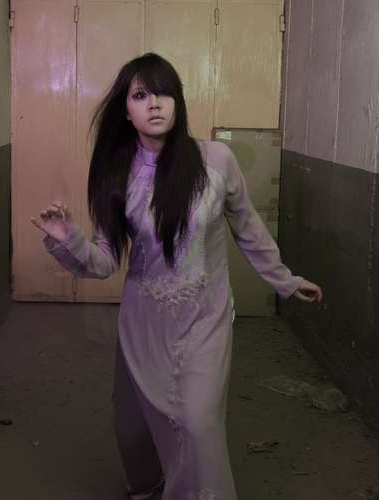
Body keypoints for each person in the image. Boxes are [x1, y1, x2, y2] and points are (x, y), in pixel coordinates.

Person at [31, 52, 323, 500]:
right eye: (140, 95)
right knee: (133, 426)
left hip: (204, 319)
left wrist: (285, 280)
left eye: (164, 93)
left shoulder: (216, 160)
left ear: (178, 101)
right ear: (125, 110)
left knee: (199, 422)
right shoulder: (117, 173)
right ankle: (147, 487)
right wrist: (67, 239)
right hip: (144, 323)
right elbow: (104, 261)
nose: (154, 103)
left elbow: (248, 227)